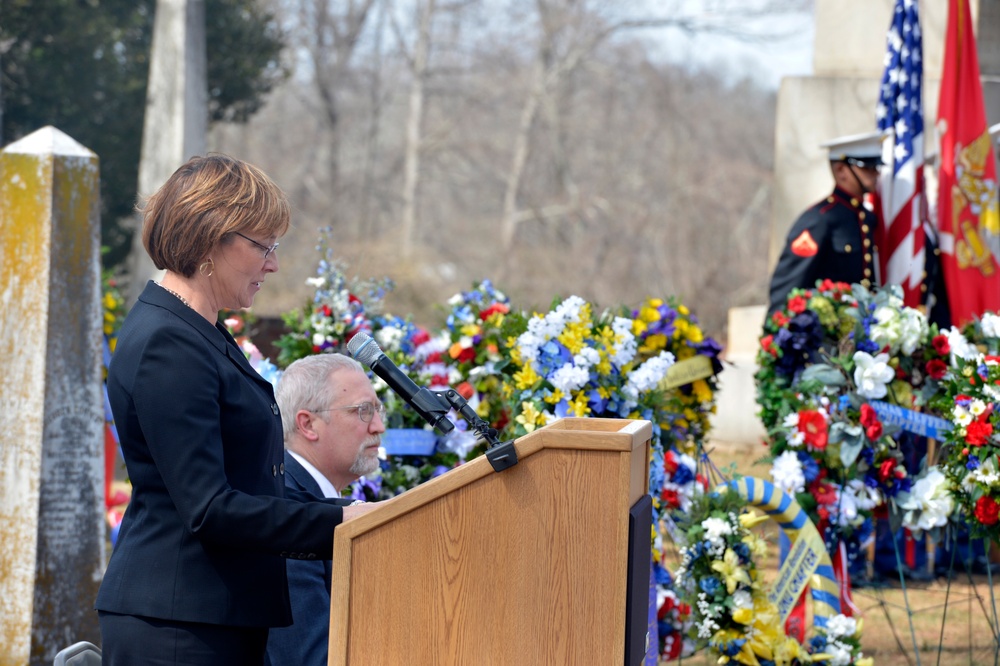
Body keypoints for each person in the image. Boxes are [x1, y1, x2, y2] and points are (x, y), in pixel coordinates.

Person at [95, 154, 379, 665]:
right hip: (180, 626)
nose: (273, 264)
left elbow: (246, 485)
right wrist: (342, 521)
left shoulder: (199, 330)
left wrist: (346, 514)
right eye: (263, 247)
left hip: (216, 616)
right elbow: (210, 508)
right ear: (211, 237)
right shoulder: (168, 343)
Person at [265, 354, 385, 666]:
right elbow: (309, 659)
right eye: (362, 411)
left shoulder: (305, 493)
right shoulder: (286, 510)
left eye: (377, 409)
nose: (378, 426)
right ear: (307, 424)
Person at [767, 131, 883, 315]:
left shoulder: (867, 218)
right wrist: (774, 337)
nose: (876, 173)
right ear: (841, 171)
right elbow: (787, 287)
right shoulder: (819, 219)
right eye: (867, 167)